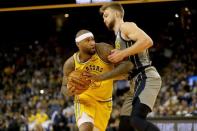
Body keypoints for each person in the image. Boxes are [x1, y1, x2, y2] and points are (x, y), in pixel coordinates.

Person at [99, 3, 162, 131]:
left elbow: (148, 41)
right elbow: (125, 73)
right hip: (134, 81)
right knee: (124, 125)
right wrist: (98, 78)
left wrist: (122, 53)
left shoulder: (126, 26)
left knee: (137, 120)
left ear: (117, 13)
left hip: (146, 75)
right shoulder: (117, 39)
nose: (104, 19)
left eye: (106, 15)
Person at [61, 29, 133, 131]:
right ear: (78, 44)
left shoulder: (103, 50)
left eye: (93, 39)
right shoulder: (70, 63)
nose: (92, 43)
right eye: (87, 40)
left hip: (104, 102)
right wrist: (68, 92)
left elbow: (128, 65)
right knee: (86, 128)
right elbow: (63, 87)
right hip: (84, 100)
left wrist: (100, 77)